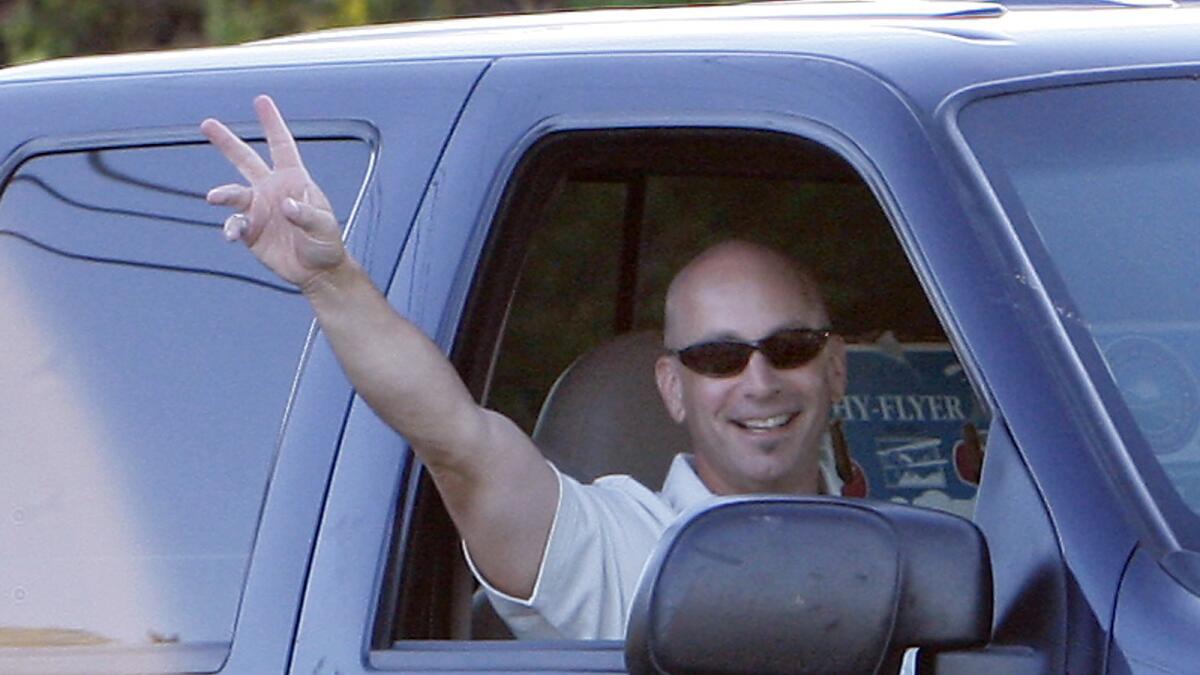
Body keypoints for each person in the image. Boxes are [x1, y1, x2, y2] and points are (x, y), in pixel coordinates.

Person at [201, 95, 847, 640]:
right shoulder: (621, 549)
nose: (759, 381)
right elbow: (457, 440)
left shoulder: (929, 535)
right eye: (719, 357)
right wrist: (331, 283)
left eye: (789, 346)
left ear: (836, 368)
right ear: (673, 388)